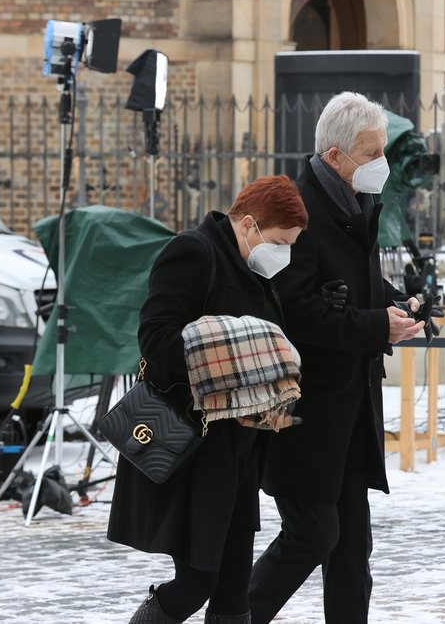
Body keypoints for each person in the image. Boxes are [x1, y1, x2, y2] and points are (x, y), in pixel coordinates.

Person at [249, 91, 425, 623]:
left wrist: (393, 301)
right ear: (335, 157)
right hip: (304, 411)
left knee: (352, 549)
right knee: (312, 534)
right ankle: (234, 617)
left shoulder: (356, 203)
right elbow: (298, 314)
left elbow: (349, 285)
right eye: (371, 153)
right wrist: (378, 325)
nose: (381, 164)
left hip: (349, 409)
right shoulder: (296, 211)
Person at [107, 174, 309, 624]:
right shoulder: (193, 252)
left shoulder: (256, 270)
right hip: (196, 450)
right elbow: (156, 338)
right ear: (250, 225)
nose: (284, 254)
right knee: (199, 581)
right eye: (280, 241)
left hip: (240, 453)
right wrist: (233, 369)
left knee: (234, 596)